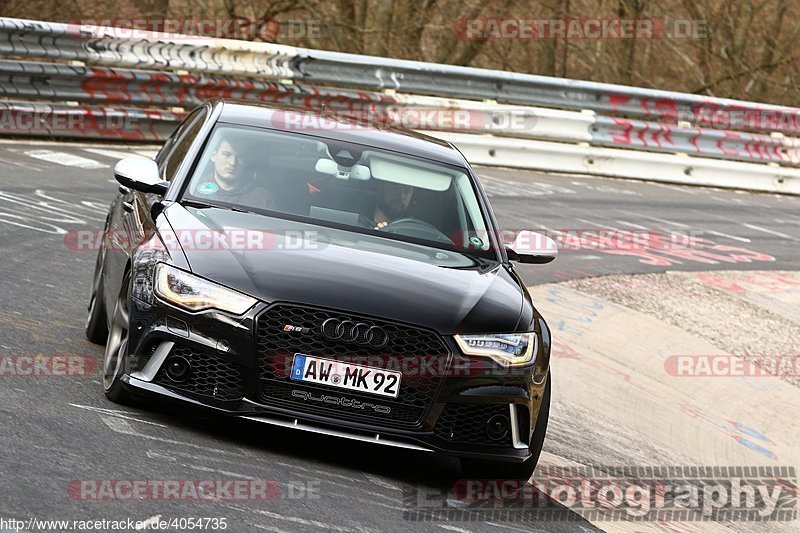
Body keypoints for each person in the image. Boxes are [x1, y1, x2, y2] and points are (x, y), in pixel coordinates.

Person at [194, 133, 272, 210]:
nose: (233, 162)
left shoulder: (261, 198)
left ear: (246, 160)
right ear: (213, 155)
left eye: (240, 157)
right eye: (226, 155)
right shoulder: (193, 189)